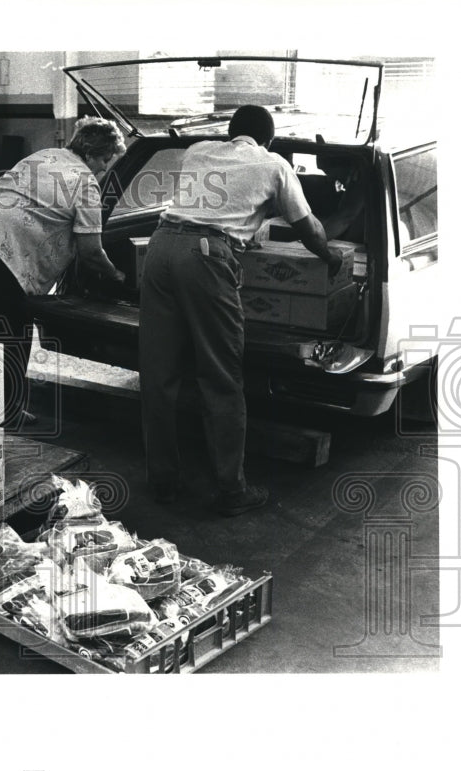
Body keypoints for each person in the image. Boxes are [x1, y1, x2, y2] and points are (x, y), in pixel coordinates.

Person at [139, 105, 343, 516]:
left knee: (159, 375)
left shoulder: (197, 150)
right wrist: (331, 257)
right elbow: (308, 228)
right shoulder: (274, 165)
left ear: (231, 133)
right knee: (221, 377)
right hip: (206, 260)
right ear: (268, 139)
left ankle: (163, 480)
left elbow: (217, 202)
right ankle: (232, 490)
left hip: (159, 250)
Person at [0, 116, 127, 430]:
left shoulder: (44, 155)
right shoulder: (86, 181)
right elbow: (91, 252)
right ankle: (6, 414)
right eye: (103, 159)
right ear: (89, 153)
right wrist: (118, 276)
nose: (104, 168)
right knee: (15, 335)